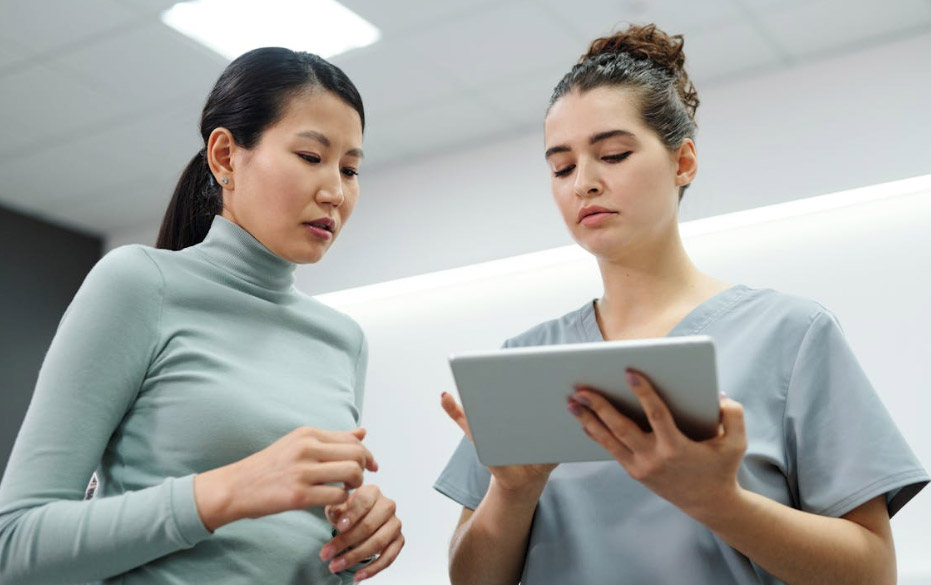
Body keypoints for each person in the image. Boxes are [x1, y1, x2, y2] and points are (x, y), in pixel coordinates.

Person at [435, 24, 928, 585]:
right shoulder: (523, 360)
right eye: (562, 167)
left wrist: (720, 502)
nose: (584, 184)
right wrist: (512, 492)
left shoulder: (791, 336)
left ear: (683, 162)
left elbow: (873, 573)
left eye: (613, 154)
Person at [0, 47, 403, 584]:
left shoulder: (344, 340)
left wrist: (359, 534)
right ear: (224, 156)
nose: (335, 191)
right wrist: (230, 490)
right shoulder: (140, 284)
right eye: (311, 156)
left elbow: (279, 547)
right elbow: (16, 543)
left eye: (350, 169)